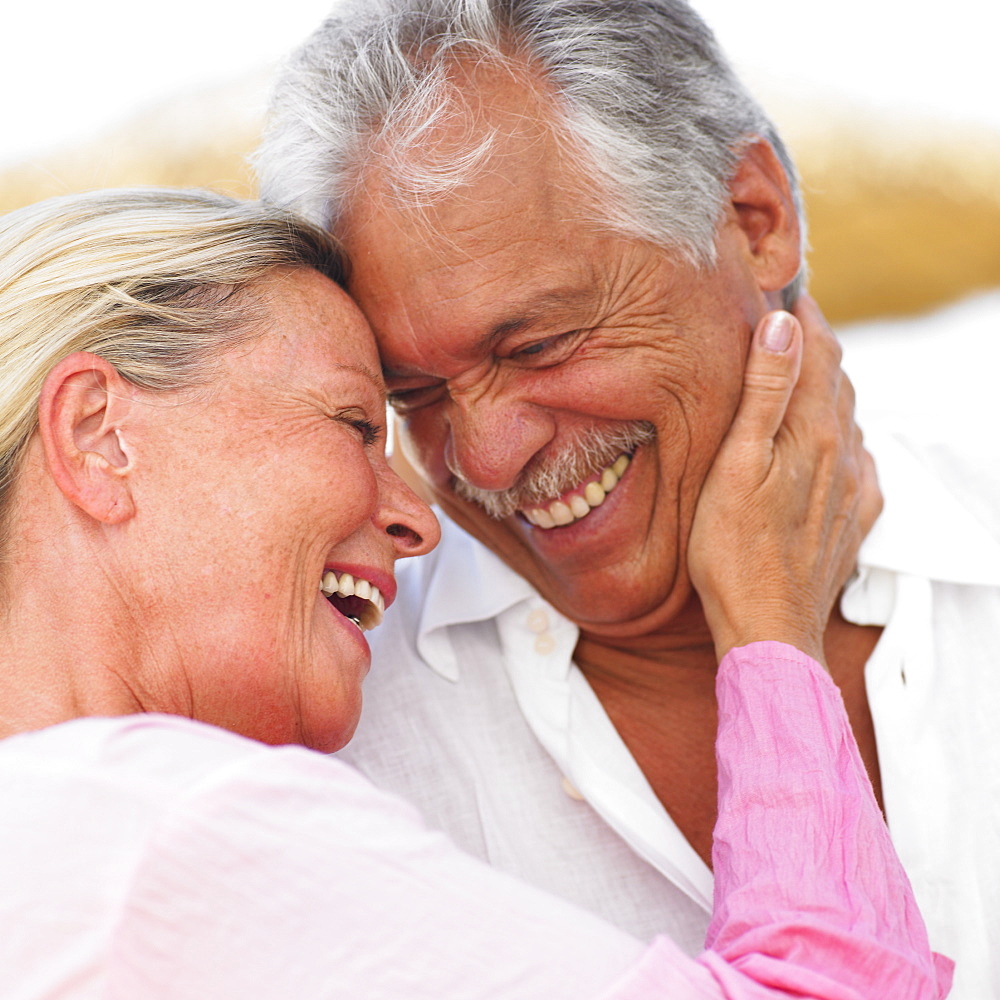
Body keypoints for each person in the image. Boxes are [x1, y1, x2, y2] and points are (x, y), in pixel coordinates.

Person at [0, 187, 951, 998]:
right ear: (98, 435)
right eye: (351, 422)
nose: (420, 519)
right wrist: (771, 622)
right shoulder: (167, 832)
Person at [255, 2, 1000, 996]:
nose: (484, 455)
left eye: (536, 346)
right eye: (412, 395)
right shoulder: (336, 737)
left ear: (752, 220)